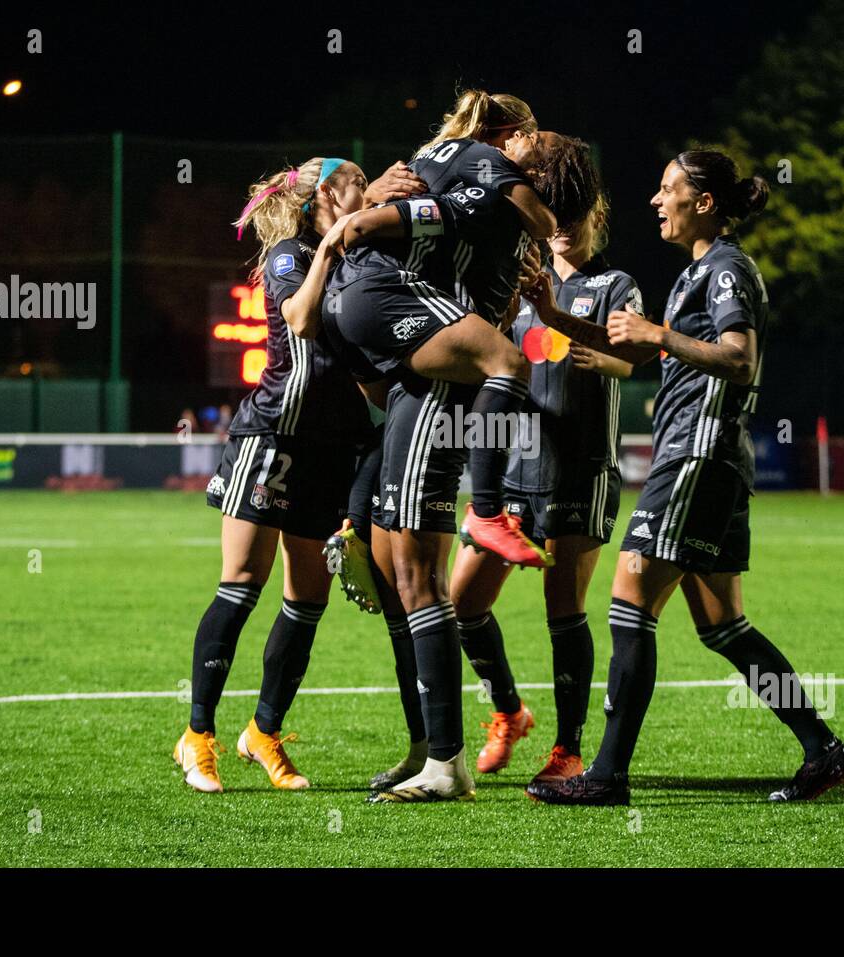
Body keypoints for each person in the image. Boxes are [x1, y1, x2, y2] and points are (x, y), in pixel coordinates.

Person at [523, 148, 844, 806]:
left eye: (668, 187)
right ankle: (822, 748)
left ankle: (607, 775)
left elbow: (738, 358)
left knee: (629, 600)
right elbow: (638, 344)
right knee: (722, 624)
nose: (655, 199)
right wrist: (557, 316)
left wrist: (663, 335)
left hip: (697, 454)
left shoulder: (726, 267)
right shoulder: (697, 272)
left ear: (704, 202)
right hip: (712, 458)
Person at [322, 106, 601, 802]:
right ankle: (428, 748)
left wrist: (371, 212)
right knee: (399, 574)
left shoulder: (493, 198)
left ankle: (445, 763)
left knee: (417, 580)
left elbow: (443, 226)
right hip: (425, 371)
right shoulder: (507, 223)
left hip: (436, 392)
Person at [171, 156, 422, 794]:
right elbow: (302, 319)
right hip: (273, 434)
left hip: (330, 448)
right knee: (241, 584)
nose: (365, 189)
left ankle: (263, 732)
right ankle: (197, 735)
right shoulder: (290, 254)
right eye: (355, 181)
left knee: (306, 598)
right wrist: (338, 245)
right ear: (322, 198)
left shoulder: (360, 254)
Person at [447, 192, 642, 785]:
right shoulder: (518, 283)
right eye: (553, 219)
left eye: (574, 216)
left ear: (595, 219)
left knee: (564, 613)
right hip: (510, 473)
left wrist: (592, 354)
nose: (561, 229)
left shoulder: (615, 285)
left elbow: (629, 359)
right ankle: (509, 710)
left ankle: (568, 750)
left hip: (577, 470)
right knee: (460, 606)